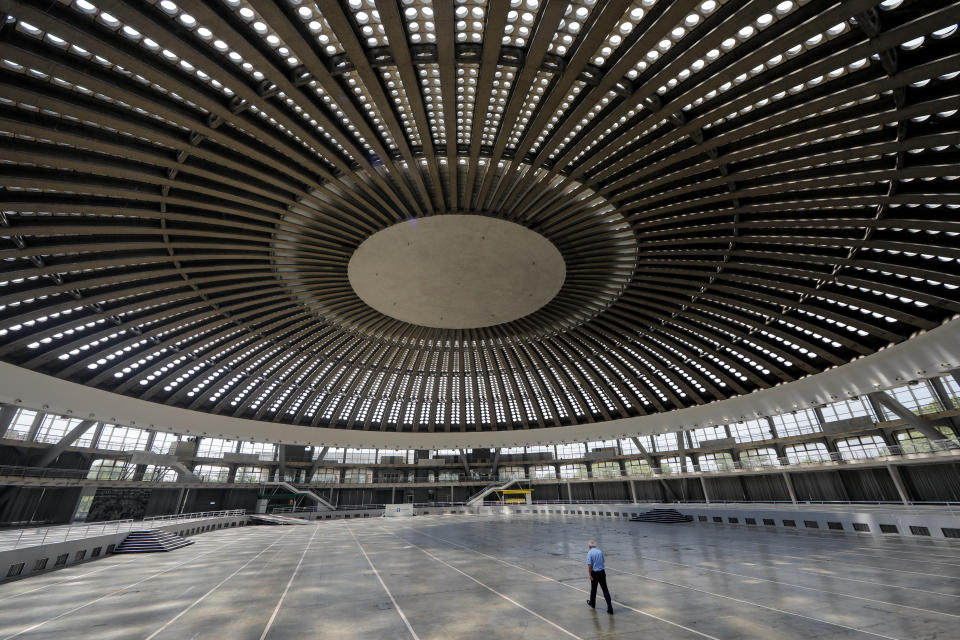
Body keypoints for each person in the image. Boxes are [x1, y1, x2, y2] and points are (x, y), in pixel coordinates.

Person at [586, 540, 613, 614]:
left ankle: (593, 603)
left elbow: (589, 565)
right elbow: (603, 561)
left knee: (593, 589)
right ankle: (610, 607)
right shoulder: (600, 552)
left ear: (589, 546)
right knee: (605, 590)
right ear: (595, 546)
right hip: (602, 572)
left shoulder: (590, 553)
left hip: (594, 573)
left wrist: (590, 574)